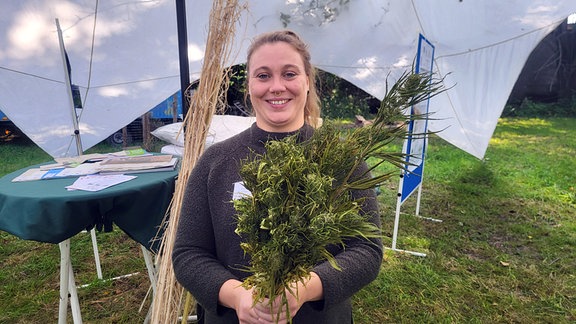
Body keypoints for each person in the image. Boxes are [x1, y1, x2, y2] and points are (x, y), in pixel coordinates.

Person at [172, 30, 382, 324]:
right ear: (249, 86)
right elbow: (187, 254)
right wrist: (238, 296)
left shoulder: (343, 161)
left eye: (289, 73)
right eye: (263, 76)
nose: (277, 86)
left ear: (307, 81)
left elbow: (368, 250)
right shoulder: (215, 162)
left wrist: (304, 289)